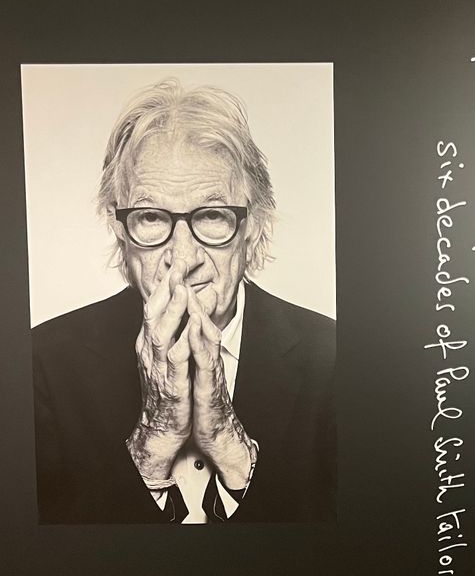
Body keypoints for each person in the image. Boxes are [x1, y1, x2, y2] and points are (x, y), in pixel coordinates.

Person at [31, 79, 335, 524]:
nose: (185, 257)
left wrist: (229, 445)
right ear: (118, 226)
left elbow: (343, 555)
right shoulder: (40, 363)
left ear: (254, 224)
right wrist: (154, 439)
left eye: (211, 215)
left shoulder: (336, 360)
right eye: (151, 217)